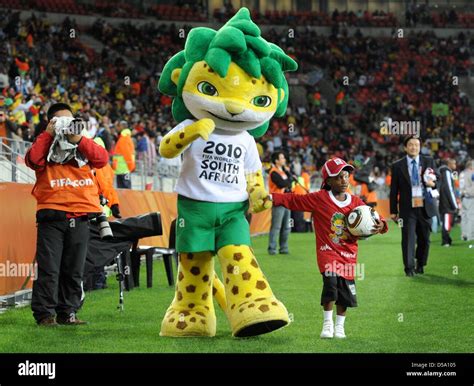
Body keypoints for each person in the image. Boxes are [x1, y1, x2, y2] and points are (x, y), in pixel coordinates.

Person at [269, 158, 388, 338]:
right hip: (328, 252)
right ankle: (327, 323)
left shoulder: (356, 202)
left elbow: (375, 218)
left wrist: (382, 226)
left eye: (346, 176)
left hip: (349, 254)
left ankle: (340, 326)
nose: (344, 180)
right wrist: (271, 197)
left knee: (345, 292)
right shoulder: (320, 199)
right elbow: (294, 200)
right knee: (331, 284)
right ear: (328, 181)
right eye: (339, 177)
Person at [25, 102, 109, 326]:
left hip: (81, 214)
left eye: (69, 120)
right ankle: (44, 315)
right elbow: (32, 160)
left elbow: (102, 159)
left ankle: (68, 313)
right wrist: (48, 134)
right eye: (59, 120)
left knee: (74, 270)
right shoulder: (45, 144)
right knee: (49, 269)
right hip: (52, 215)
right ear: (50, 122)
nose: (66, 125)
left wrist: (79, 139)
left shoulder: (81, 143)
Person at [389, 136, 438, 276]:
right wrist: (393, 211)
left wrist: (433, 184)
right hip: (407, 209)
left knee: (425, 239)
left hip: (425, 206)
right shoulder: (397, 165)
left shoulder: (429, 161)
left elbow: (438, 178)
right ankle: (409, 268)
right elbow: (394, 190)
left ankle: (420, 264)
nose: (414, 147)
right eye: (410, 145)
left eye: (416, 144)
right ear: (405, 147)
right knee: (408, 238)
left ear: (420, 146)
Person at [267, 151, 292, 255]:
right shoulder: (273, 172)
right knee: (276, 226)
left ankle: (283, 248)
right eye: (282, 158)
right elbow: (282, 184)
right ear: (276, 161)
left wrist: (288, 179)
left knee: (287, 226)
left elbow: (290, 181)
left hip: (286, 201)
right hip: (277, 201)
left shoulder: (284, 171)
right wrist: (289, 182)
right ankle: (272, 249)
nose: (284, 159)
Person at [438, 159, 458, 247]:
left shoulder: (446, 172)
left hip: (444, 201)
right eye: (454, 163)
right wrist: (454, 204)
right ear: (449, 164)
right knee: (447, 221)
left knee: (448, 221)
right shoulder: (446, 171)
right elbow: (449, 189)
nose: (455, 164)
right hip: (447, 203)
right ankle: (445, 241)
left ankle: (447, 239)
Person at [112, 120, 135, 189]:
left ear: (122, 127)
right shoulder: (124, 137)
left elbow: (127, 154)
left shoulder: (124, 138)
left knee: (125, 190)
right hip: (122, 169)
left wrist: (130, 167)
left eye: (118, 126)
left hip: (124, 169)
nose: (116, 128)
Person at [460, 160, 474, 242]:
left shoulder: (461, 173)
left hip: (462, 197)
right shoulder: (472, 173)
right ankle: (470, 236)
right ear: (470, 166)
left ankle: (464, 235)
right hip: (470, 197)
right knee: (471, 217)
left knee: (464, 217)